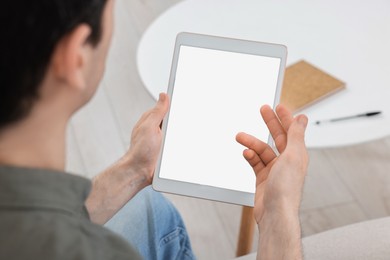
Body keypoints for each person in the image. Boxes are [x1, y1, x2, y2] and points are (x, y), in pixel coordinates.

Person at [0, 0, 309, 259]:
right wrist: (277, 218)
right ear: (77, 55)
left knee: (151, 208)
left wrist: (135, 168)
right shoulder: (95, 251)